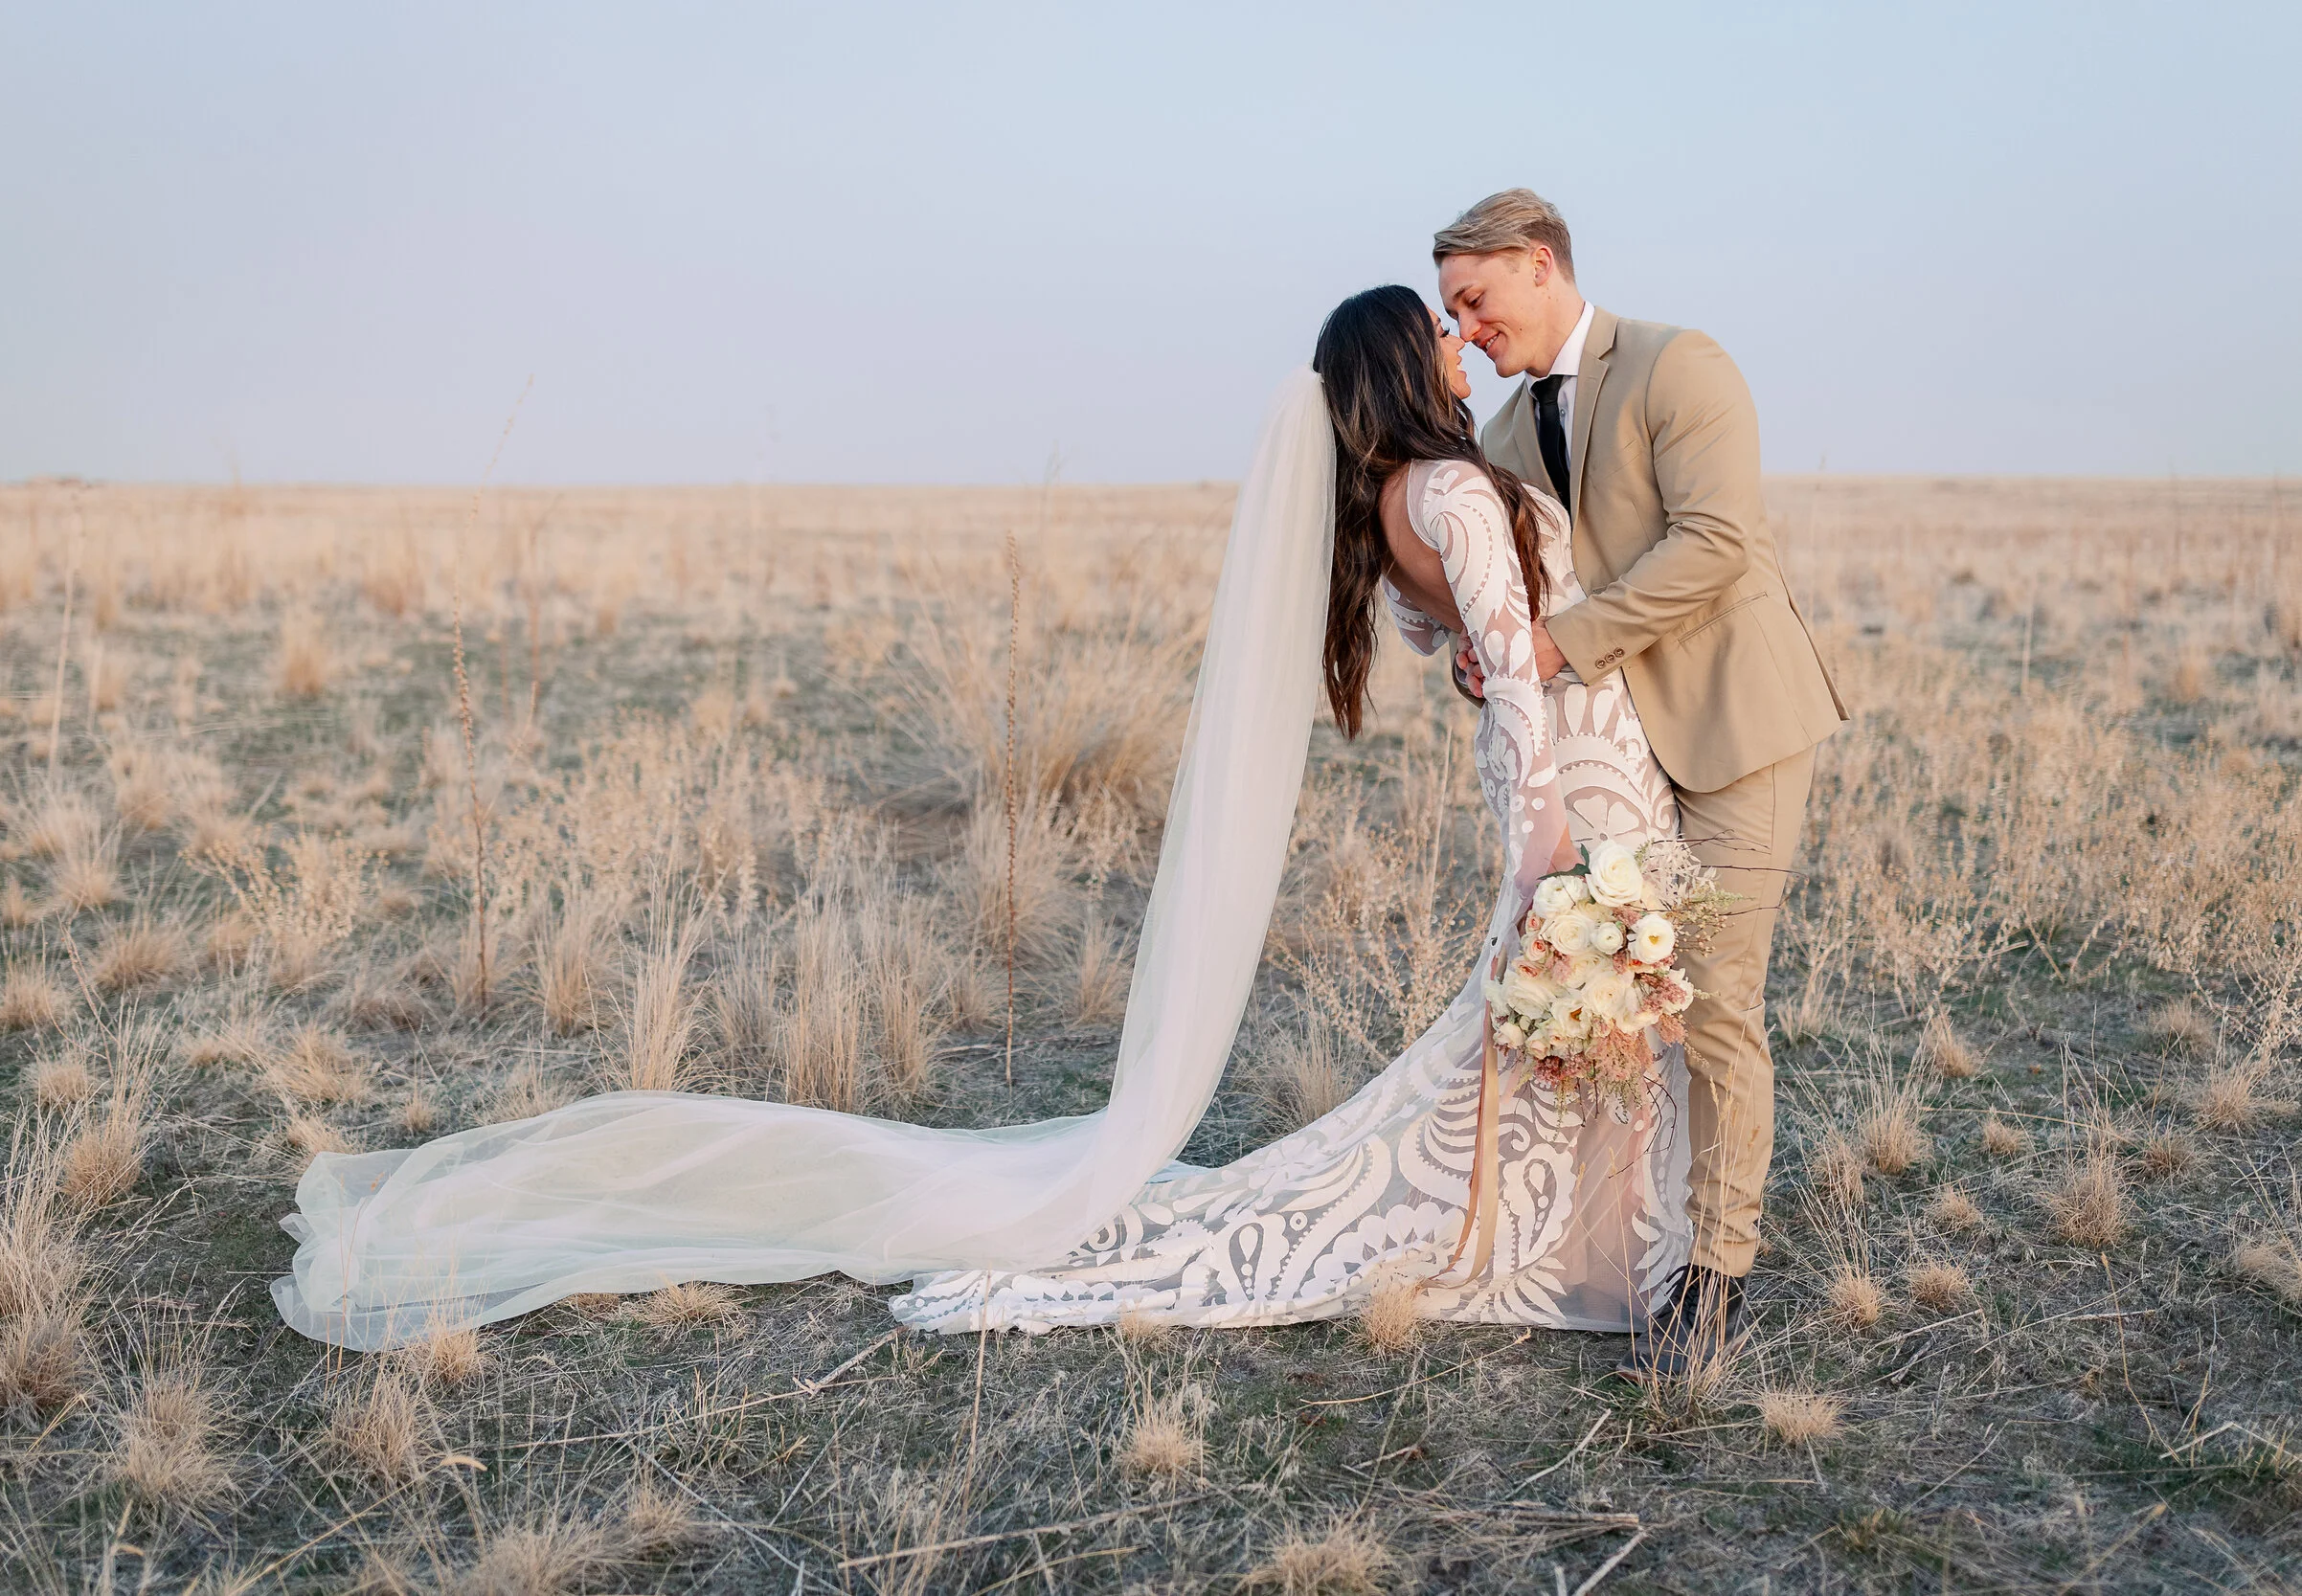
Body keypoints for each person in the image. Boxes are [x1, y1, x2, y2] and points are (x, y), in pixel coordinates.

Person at [273, 280, 1708, 1355]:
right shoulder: (1452, 483)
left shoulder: (1398, 498)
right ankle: (1592, 1251)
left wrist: (1498, 685)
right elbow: (1512, 670)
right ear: (1410, 364)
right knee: (1572, 1004)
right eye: (1443, 333)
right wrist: (1534, 841)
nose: (1464, 347)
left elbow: (1476, 644)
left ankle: (1590, 1246)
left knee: (1564, 1018)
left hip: (1563, 768)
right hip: (1567, 774)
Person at [1433, 190, 1846, 1376]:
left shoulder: (1679, 364)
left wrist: (1559, 645)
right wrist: (1490, 654)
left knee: (1713, 993)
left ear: (1540, 261)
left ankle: (1716, 1277)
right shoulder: (1506, 433)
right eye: (1450, 313)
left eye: (1477, 298)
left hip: (1736, 729)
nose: (1466, 327)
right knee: (1627, 1002)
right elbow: (1518, 586)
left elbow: (1716, 544)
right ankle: (1621, 1237)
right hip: (1617, 762)